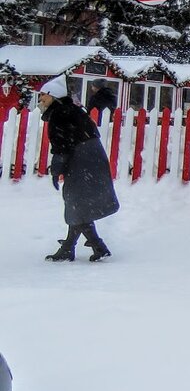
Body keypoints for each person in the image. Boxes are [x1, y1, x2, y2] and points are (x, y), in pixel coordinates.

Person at [39, 75, 120, 263]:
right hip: (91, 157)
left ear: (53, 95)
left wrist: (55, 170)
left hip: (82, 159)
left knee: (75, 202)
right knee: (78, 204)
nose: (41, 98)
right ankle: (94, 246)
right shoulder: (71, 110)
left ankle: (75, 248)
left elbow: (62, 145)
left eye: (43, 95)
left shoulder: (60, 113)